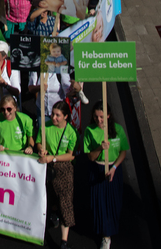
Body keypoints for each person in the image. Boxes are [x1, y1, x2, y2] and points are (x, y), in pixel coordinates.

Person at [84, 101, 129, 249]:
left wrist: (115, 167)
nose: (99, 120)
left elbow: (123, 151)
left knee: (113, 203)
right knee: (100, 204)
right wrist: (100, 148)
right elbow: (90, 157)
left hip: (113, 170)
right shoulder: (89, 130)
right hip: (97, 170)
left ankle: (109, 231)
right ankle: (105, 236)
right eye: (96, 117)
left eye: (102, 117)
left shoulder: (118, 129)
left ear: (108, 115)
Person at [35, 101, 78, 249]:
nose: (53, 117)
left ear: (65, 116)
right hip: (47, 166)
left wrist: (53, 158)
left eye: (57, 115)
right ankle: (54, 216)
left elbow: (71, 156)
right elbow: (39, 142)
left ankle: (64, 241)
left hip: (63, 167)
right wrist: (41, 150)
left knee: (65, 202)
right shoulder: (45, 127)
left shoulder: (71, 132)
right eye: (53, 114)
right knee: (50, 196)